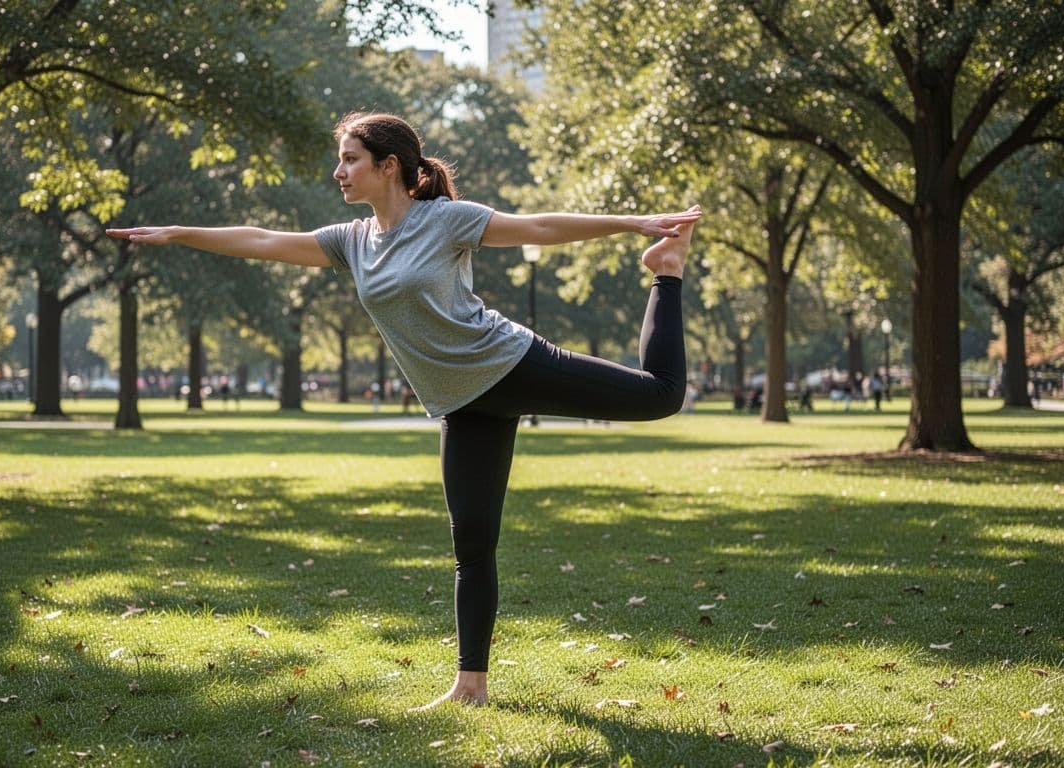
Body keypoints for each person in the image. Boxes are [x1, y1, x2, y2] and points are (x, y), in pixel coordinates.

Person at [107, 112, 701, 711]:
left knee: (661, 395)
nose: (339, 171)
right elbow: (262, 240)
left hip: (511, 362)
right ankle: (470, 686)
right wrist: (180, 232)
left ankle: (667, 272)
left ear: (387, 166)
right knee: (472, 543)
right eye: (341, 159)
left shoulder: (445, 221)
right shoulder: (351, 241)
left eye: (350, 159)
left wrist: (632, 224)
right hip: (461, 403)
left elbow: (538, 226)